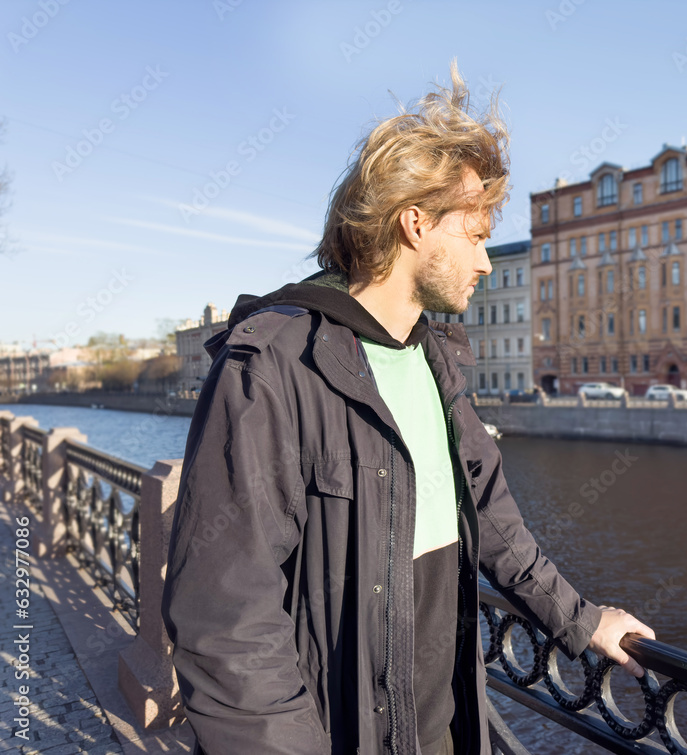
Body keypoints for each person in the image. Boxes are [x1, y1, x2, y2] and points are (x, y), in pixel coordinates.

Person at [162, 63, 654, 755]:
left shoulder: (438, 362)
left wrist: (581, 619)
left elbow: (494, 518)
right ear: (415, 222)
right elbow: (224, 616)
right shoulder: (273, 364)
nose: (485, 261)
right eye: (476, 234)